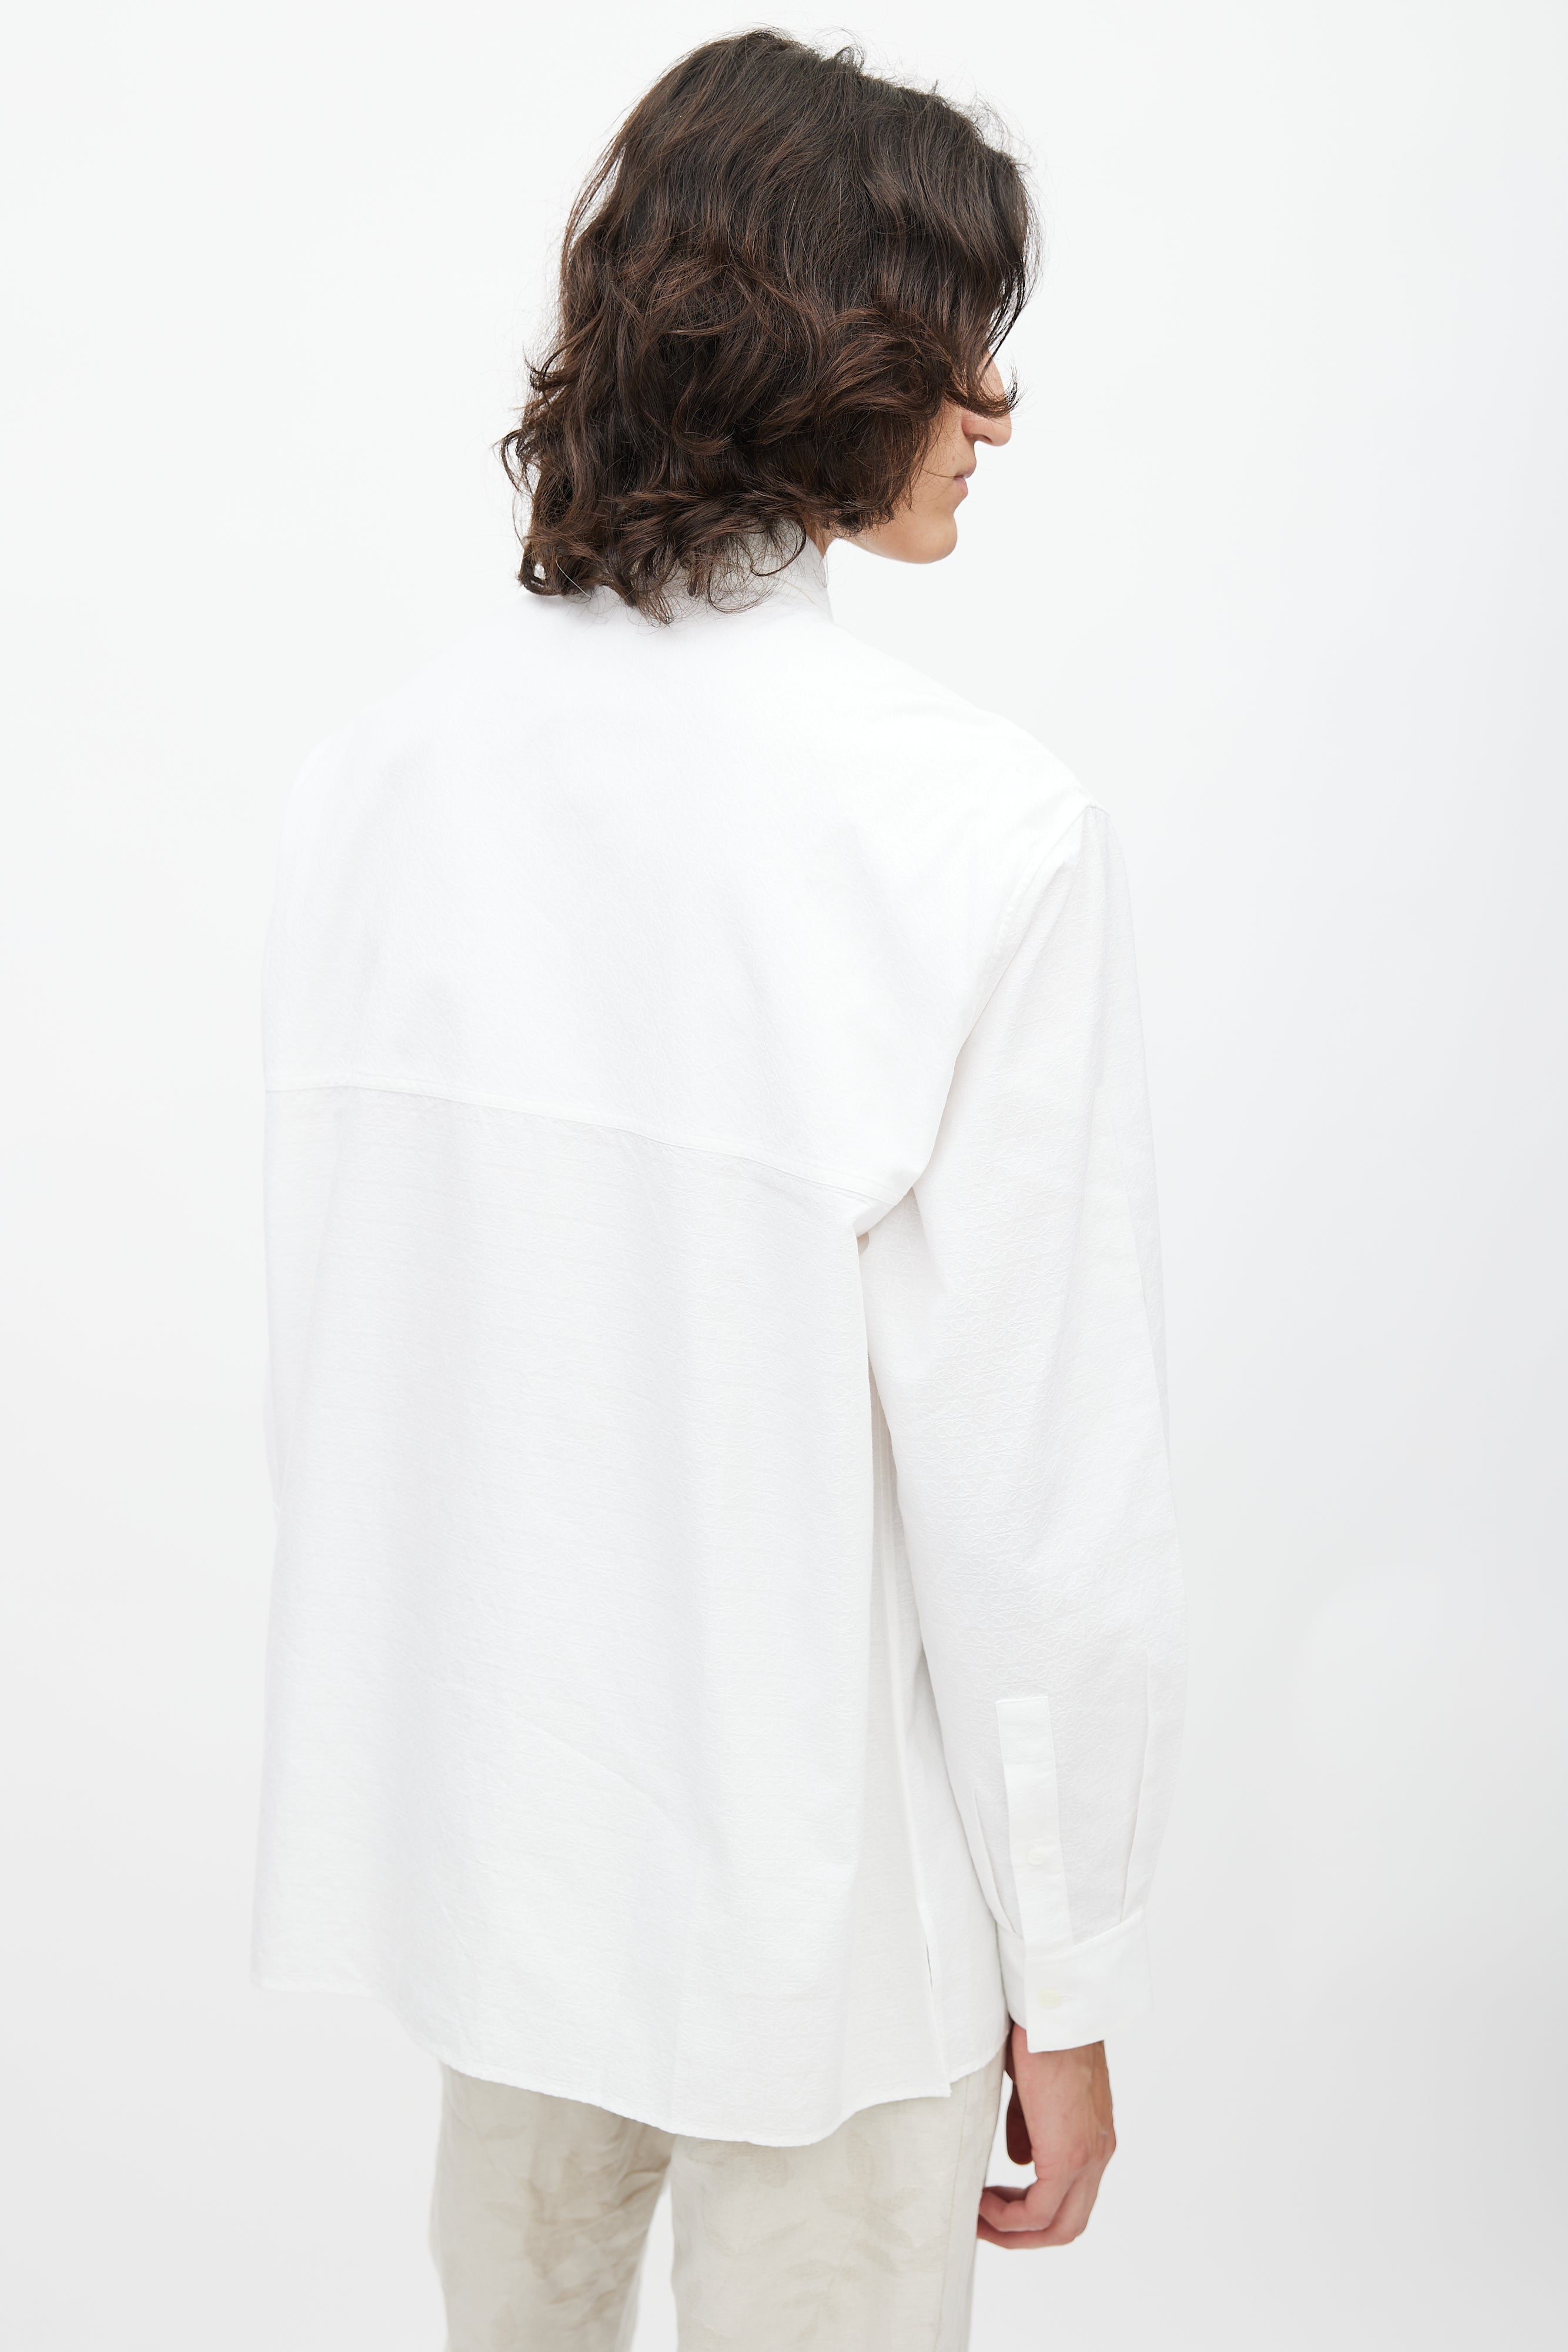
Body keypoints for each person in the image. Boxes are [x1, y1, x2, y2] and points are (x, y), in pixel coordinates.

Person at [253, 29, 1185, 2351]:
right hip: (818, 1931)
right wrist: (1064, 1976)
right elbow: (1032, 1488)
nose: (996, 410)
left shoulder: (380, 780)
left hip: (496, 1870)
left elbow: (365, 1355)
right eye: (955, 340)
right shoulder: (971, 833)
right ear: (823, 354)